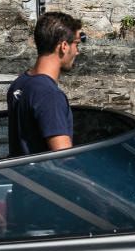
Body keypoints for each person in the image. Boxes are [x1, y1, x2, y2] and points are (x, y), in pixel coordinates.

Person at [7, 10, 83, 155]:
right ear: (64, 46)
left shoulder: (19, 84)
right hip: (42, 177)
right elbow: (64, 157)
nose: (77, 52)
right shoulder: (49, 95)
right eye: (76, 44)